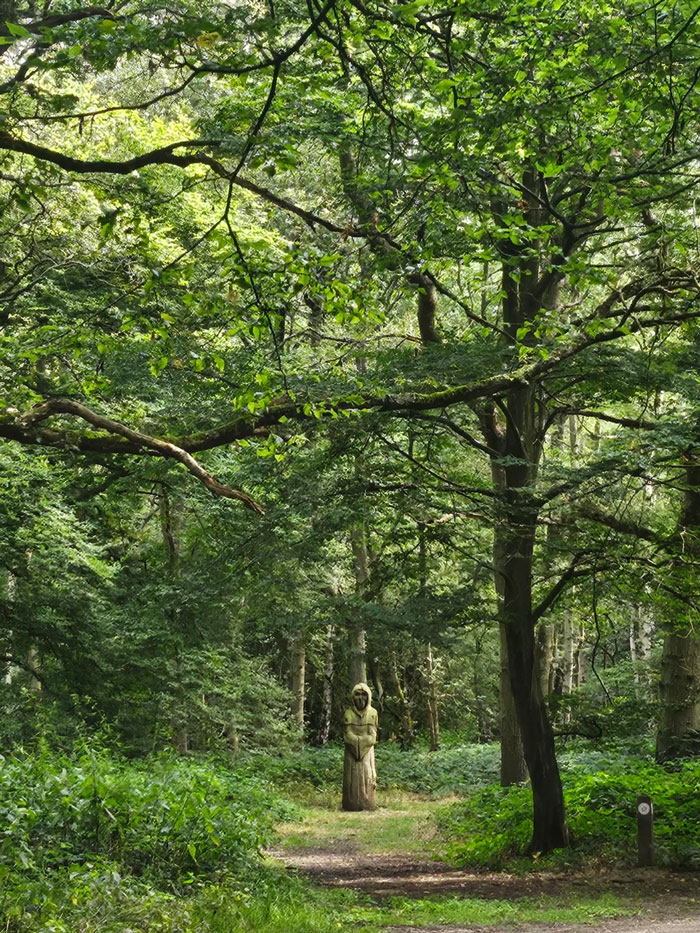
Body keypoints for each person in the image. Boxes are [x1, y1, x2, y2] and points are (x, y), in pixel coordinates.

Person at [342, 682, 378, 811]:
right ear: (353, 697)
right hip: (351, 753)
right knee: (351, 782)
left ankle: (367, 804)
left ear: (368, 697)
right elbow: (347, 734)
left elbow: (373, 736)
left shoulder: (372, 713)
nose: (360, 698)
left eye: (364, 695)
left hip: (367, 753)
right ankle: (350, 804)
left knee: (368, 777)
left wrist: (361, 744)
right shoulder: (348, 714)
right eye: (357, 695)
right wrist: (356, 744)